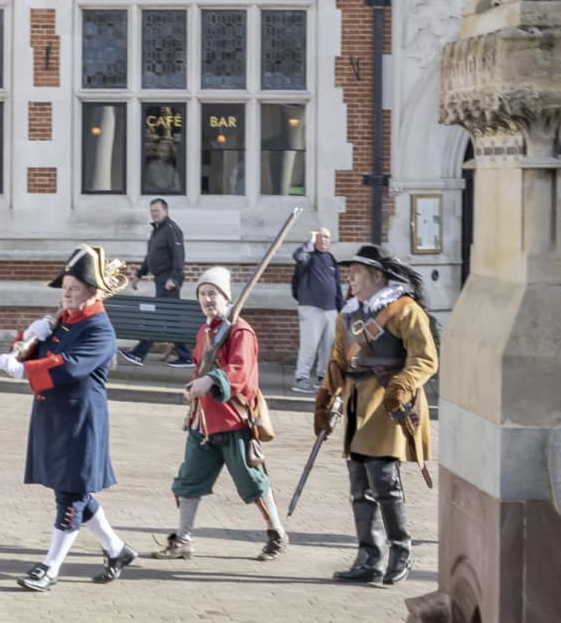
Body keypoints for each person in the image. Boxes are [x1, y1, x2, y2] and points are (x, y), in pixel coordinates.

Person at [0, 246, 138, 591]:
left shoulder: (100, 330)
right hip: (54, 418)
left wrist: (22, 369)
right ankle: (117, 550)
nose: (66, 293)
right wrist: (29, 337)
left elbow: (69, 366)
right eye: (65, 287)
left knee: (70, 496)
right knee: (73, 491)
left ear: (93, 292)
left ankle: (50, 567)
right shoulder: (63, 321)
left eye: (74, 288)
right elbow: (40, 351)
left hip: (80, 422)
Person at [316, 244, 439, 586]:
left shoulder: (404, 310)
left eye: (356, 272)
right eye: (350, 272)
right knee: (360, 486)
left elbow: (425, 358)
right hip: (357, 405)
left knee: (385, 483)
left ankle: (401, 551)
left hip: (388, 403)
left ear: (376, 275)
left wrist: (403, 384)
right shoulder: (349, 313)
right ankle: (369, 556)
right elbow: (338, 360)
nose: (350, 278)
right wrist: (325, 396)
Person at [148, 268, 288, 563]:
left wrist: (211, 381)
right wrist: (194, 386)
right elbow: (200, 367)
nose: (208, 299)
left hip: (234, 421)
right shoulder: (205, 331)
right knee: (188, 481)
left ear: (226, 297)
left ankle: (276, 533)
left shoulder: (241, 332)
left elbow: (239, 371)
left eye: (213, 294)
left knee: (252, 482)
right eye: (203, 294)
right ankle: (183, 540)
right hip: (204, 422)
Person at [121, 199, 189, 366]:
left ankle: (138, 353)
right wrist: (139, 274)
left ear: (165, 211)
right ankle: (186, 356)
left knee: (156, 318)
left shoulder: (171, 229)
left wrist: (174, 278)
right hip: (161, 280)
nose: (154, 214)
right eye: (152, 211)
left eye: (157, 211)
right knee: (172, 320)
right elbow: (150, 256)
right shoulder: (158, 230)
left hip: (168, 282)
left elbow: (179, 255)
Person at [289, 227, 342, 395]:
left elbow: (337, 286)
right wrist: (309, 242)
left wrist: (340, 309)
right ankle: (301, 379)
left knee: (328, 347)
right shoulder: (308, 257)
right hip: (311, 307)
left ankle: (323, 377)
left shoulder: (331, 259)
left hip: (331, 309)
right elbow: (298, 256)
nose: (323, 240)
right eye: (320, 237)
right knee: (309, 345)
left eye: (327, 237)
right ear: (314, 239)